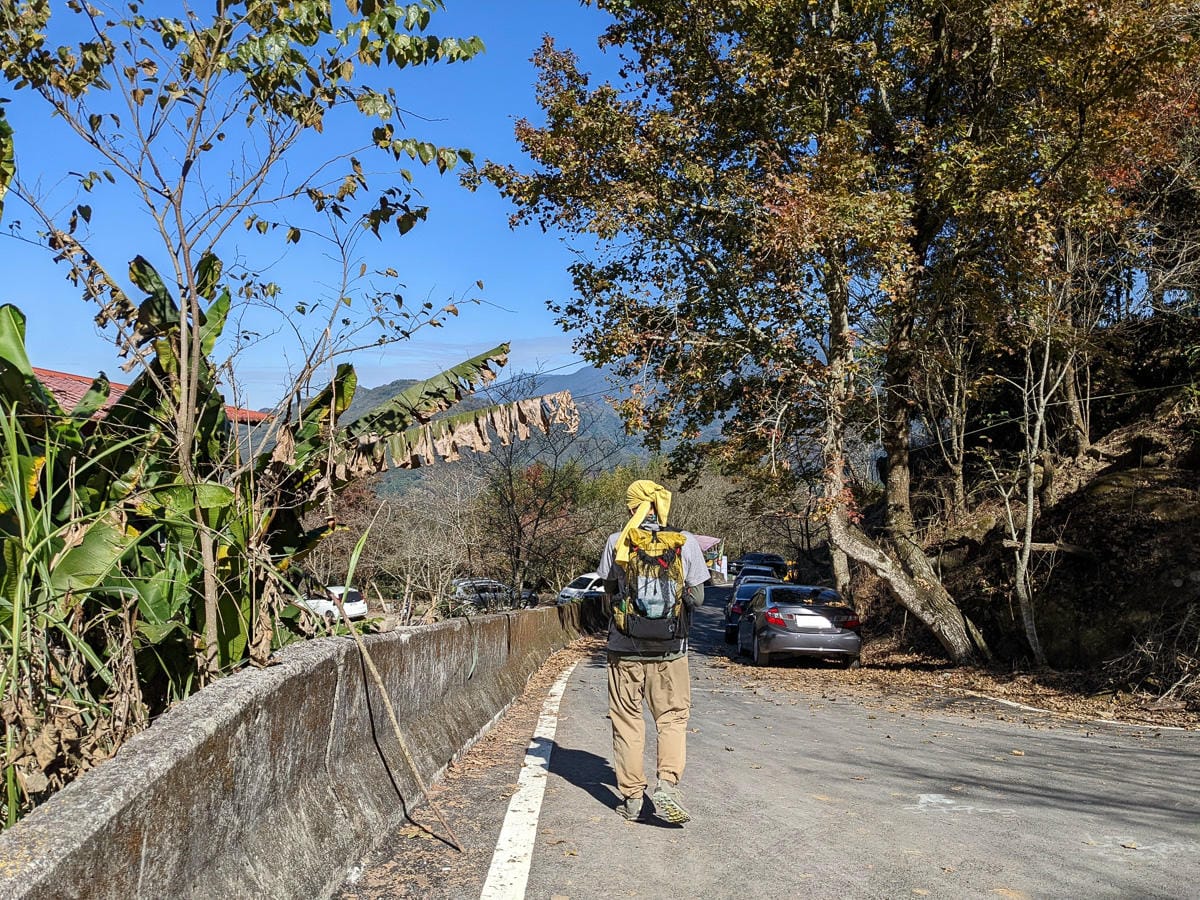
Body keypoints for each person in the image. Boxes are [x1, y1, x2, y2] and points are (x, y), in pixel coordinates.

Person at [596, 479, 709, 824]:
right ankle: (668, 785)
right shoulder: (684, 542)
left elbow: (606, 598)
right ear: (661, 506)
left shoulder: (618, 542)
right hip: (671, 651)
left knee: (628, 723)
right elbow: (700, 600)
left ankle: (632, 799)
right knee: (672, 719)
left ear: (632, 507)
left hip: (624, 651)